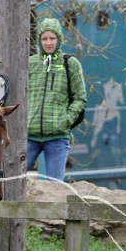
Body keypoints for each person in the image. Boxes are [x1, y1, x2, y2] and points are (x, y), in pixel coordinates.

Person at [27, 17, 87, 181]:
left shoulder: (70, 63)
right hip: (29, 136)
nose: (48, 43)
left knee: (55, 185)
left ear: (59, 39)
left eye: (52, 38)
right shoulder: (30, 63)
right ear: (39, 40)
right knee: (11, 179)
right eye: (44, 38)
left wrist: (65, 120)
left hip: (57, 138)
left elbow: (80, 98)